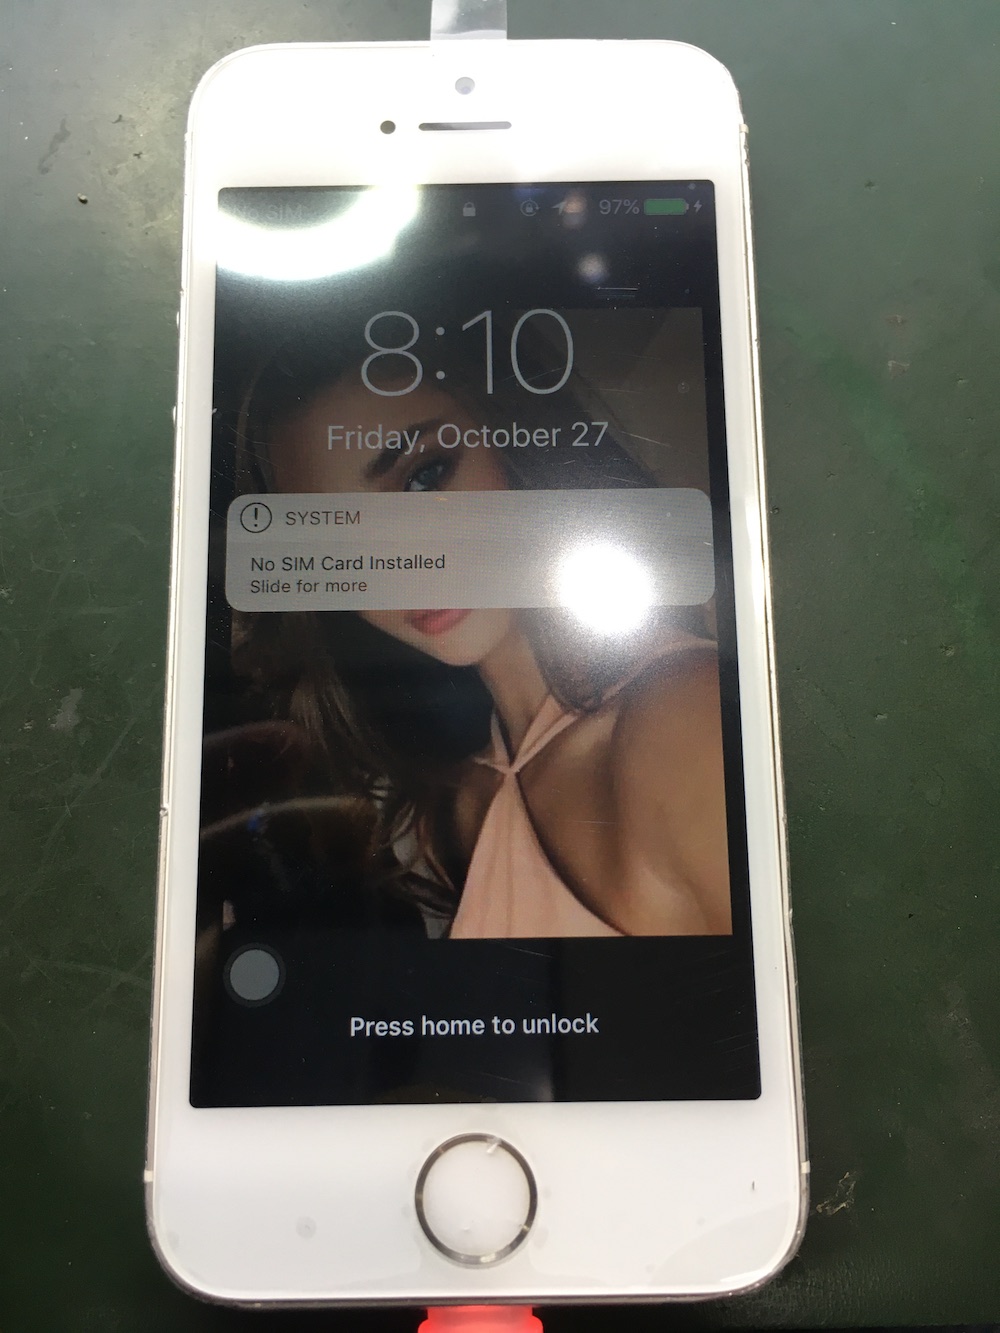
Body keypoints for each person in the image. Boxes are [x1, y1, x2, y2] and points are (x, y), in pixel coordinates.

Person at [223, 328, 733, 940]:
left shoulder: (687, 723)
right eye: (337, 533)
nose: (402, 566)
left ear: (514, 439)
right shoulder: (449, 809)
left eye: (424, 477)